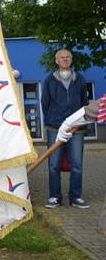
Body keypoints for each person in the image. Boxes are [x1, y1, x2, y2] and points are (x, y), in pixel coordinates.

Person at [41, 49, 90, 209]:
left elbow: (85, 102)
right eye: (62, 57)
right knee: (53, 164)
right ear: (56, 61)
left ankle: (75, 197)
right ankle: (55, 197)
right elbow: (45, 103)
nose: (65, 59)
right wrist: (52, 120)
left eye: (68, 57)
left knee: (77, 164)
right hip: (55, 128)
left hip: (76, 129)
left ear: (71, 59)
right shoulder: (49, 80)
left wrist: (80, 122)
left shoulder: (80, 79)